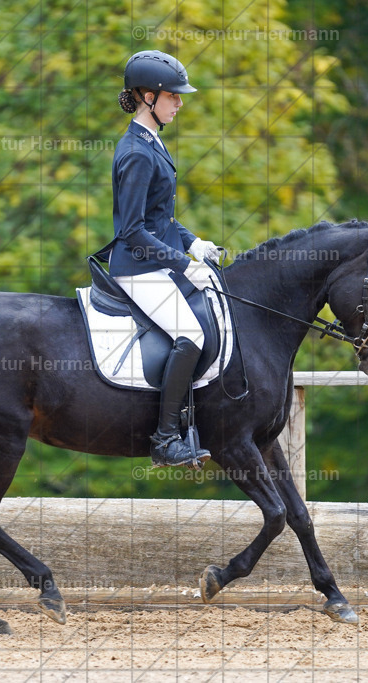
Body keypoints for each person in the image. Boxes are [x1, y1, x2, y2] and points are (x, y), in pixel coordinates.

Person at [108, 50, 220, 469]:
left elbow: (161, 217)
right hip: (137, 267)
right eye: (174, 95)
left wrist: (194, 243)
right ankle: (166, 438)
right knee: (191, 335)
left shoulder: (151, 142)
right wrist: (183, 263)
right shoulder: (136, 152)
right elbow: (132, 231)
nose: (180, 102)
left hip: (155, 260)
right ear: (148, 97)